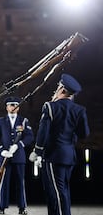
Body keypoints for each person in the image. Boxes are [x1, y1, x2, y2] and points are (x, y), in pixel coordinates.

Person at [29, 73, 90, 215]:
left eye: (58, 87)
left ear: (62, 89)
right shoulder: (79, 110)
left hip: (53, 155)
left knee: (56, 192)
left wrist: (37, 152)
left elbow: (43, 132)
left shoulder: (50, 107)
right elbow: (84, 134)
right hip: (69, 155)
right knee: (61, 190)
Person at [0, 96, 34, 214]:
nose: (13, 107)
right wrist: (1, 151)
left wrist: (18, 145)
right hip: (4, 157)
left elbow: (29, 136)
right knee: (3, 182)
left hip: (18, 156)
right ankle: (1, 207)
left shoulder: (23, 121)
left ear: (18, 107)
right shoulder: (0, 121)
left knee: (20, 182)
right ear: (6, 107)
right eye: (11, 105)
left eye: (15, 105)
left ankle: (22, 207)